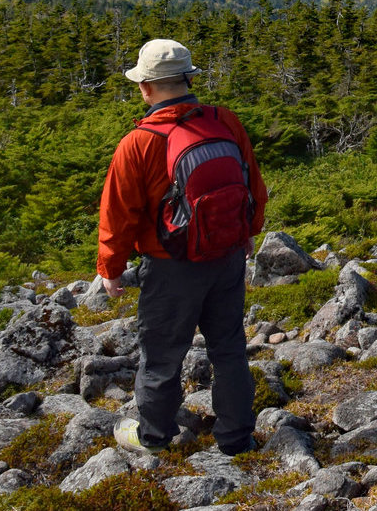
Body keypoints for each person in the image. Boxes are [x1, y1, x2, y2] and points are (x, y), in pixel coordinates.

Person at [98, 38, 268, 456]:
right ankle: (236, 438)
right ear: (189, 79)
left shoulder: (138, 142)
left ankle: (154, 436)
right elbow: (251, 184)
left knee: (161, 353)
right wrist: (247, 230)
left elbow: (118, 213)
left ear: (146, 88)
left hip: (169, 263)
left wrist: (110, 267)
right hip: (227, 255)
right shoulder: (224, 121)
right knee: (228, 346)